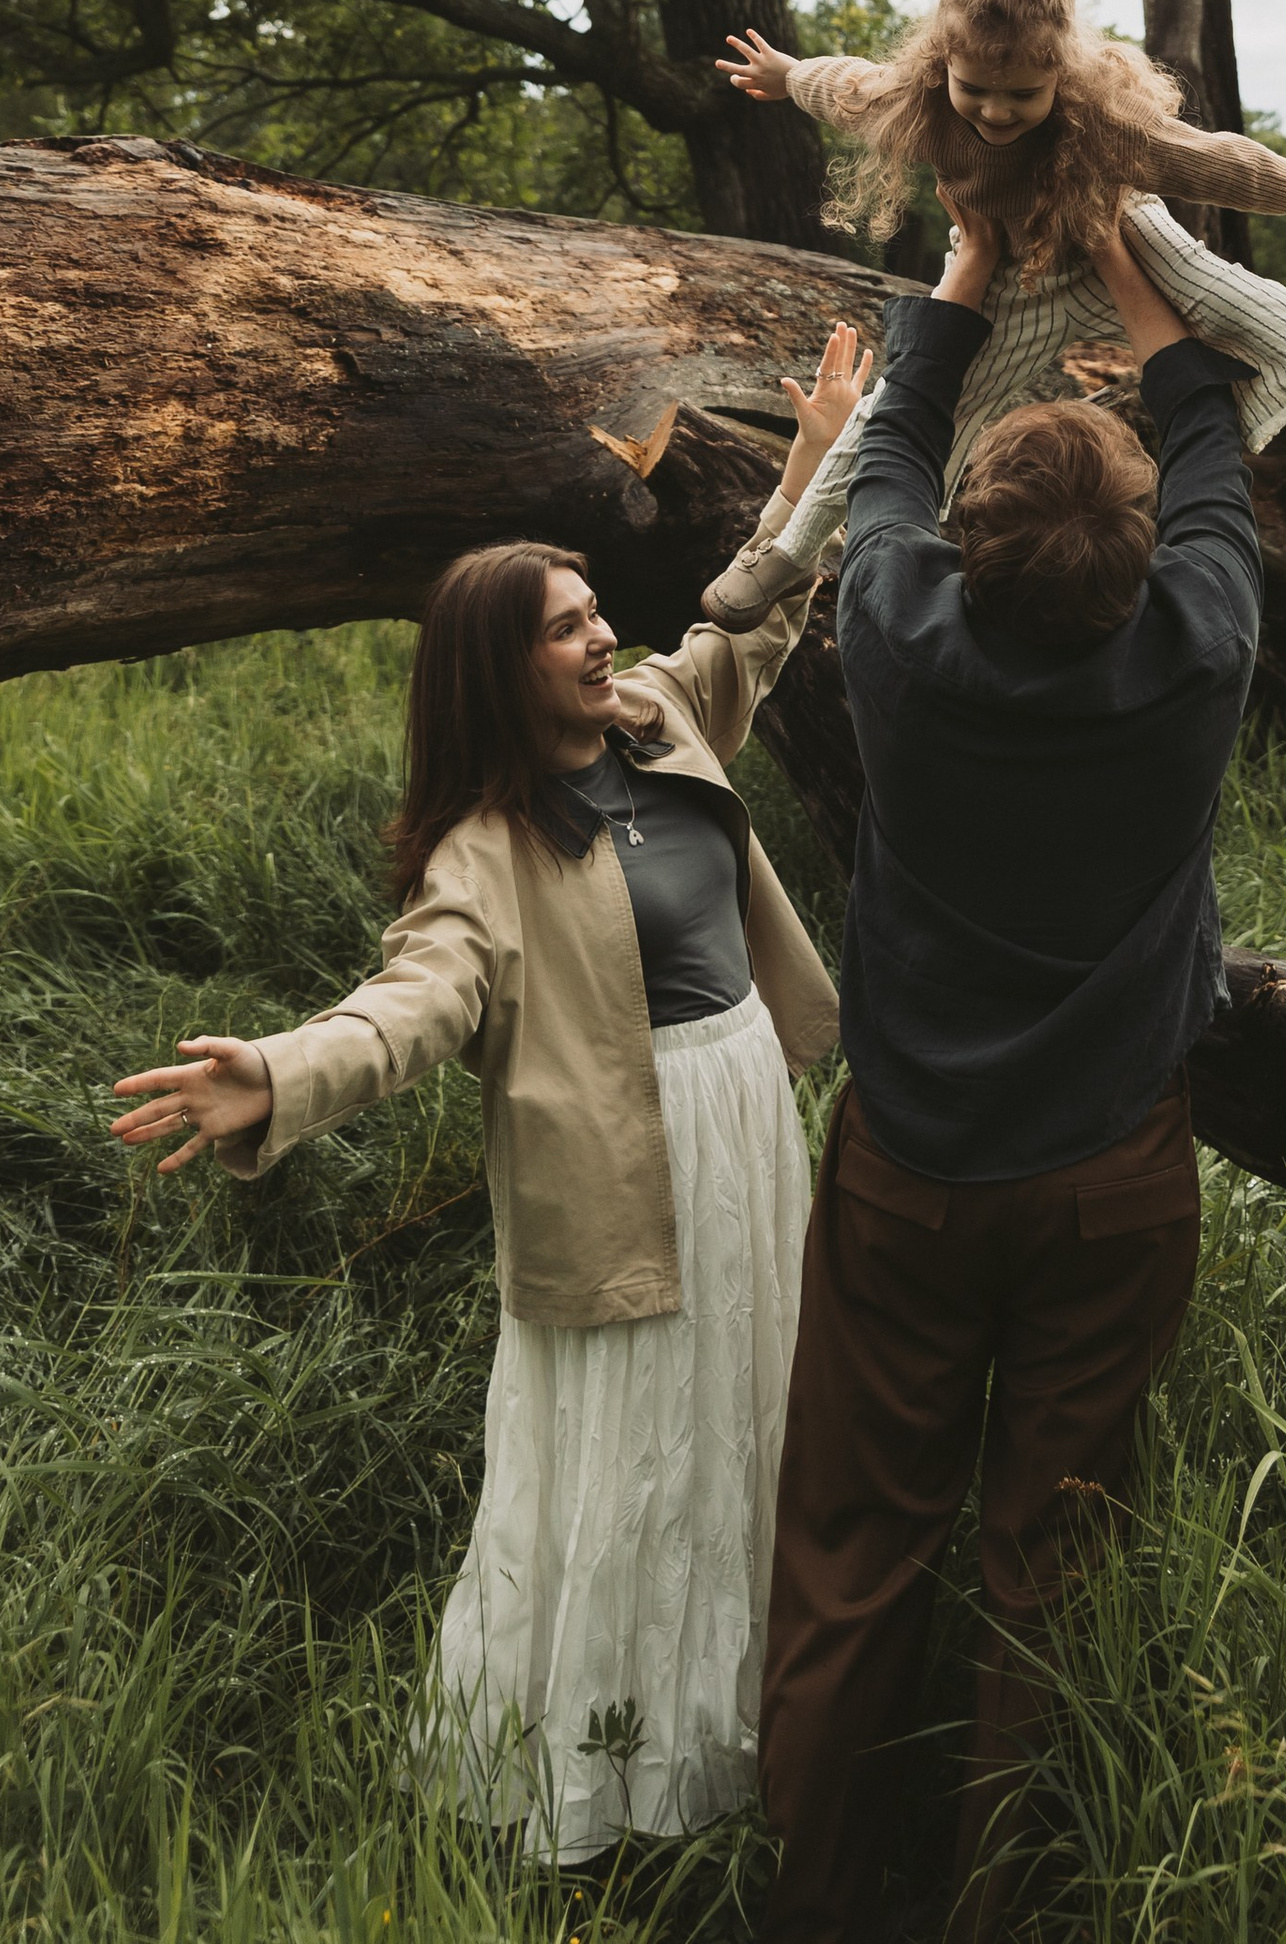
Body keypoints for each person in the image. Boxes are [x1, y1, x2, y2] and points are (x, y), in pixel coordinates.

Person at [107, 330, 872, 1866]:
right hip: (619, 1169)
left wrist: (820, 457)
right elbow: (414, 1003)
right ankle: (600, 1771)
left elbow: (760, 602)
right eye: (566, 631)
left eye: (598, 616)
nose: (602, 642)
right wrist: (278, 1074)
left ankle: (743, 1739)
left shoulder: (665, 718)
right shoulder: (482, 852)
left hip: (742, 1124)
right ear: (496, 670)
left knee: (754, 1429)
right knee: (633, 1466)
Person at [755, 211, 1261, 1943]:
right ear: (1141, 554)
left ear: (970, 550)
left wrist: (965, 274)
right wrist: (1132, 264)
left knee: (847, 1550)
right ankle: (1000, 1912)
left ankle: (819, 1904)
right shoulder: (1201, 643)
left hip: (910, 1171)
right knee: (1048, 1568)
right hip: (1116, 1175)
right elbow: (1209, 442)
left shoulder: (895, 628)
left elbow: (891, 443)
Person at [699, 0, 1286, 628]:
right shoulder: (916, 101)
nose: (996, 112)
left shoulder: (1103, 121)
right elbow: (844, 85)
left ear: (1060, 74)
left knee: (1245, 301)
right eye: (975, 89)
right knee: (902, 411)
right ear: (941, 59)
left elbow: (1210, 159)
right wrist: (786, 74)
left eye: (1023, 96)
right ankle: (785, 554)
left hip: (1121, 237)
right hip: (1012, 279)